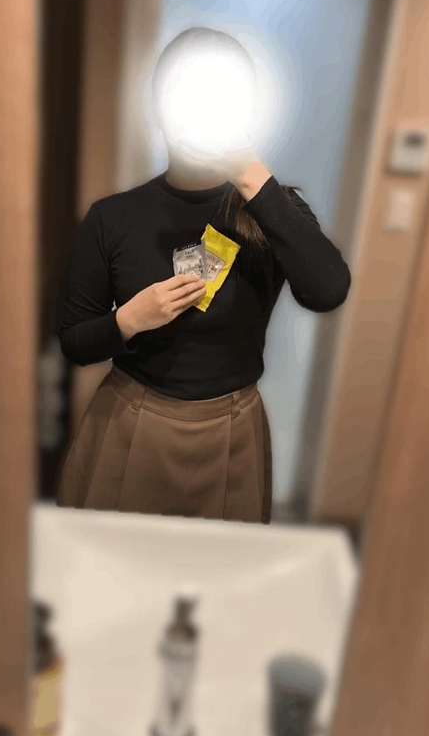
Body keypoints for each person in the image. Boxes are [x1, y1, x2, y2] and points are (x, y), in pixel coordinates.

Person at [55, 27, 351, 524]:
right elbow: (74, 342)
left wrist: (250, 173)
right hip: (129, 420)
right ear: (161, 109)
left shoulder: (272, 209)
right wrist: (128, 320)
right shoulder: (112, 217)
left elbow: (328, 289)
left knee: (220, 569)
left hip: (232, 428)